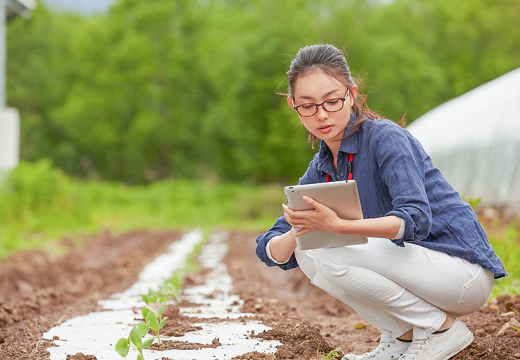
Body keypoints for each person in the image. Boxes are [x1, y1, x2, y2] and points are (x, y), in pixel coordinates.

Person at [255, 44, 507, 360]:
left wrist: (338, 226)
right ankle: (401, 337)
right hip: (416, 272)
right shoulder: (320, 169)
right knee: (309, 252)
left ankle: (440, 329)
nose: (321, 114)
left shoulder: (385, 138)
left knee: (332, 253)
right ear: (294, 106)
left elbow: (414, 218)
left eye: (332, 101)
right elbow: (269, 248)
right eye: (308, 105)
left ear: (351, 94)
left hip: (459, 272)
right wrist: (300, 230)